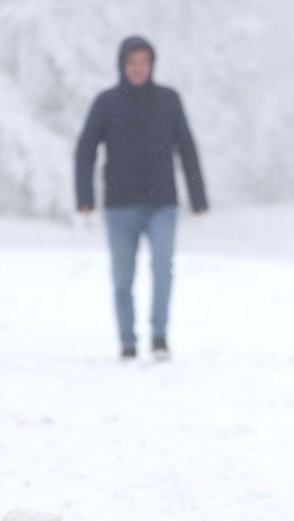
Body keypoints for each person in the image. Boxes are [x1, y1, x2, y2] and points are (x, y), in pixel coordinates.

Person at [75, 36, 208, 361]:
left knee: (163, 269)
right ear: (123, 65)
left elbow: (187, 148)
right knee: (123, 277)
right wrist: (85, 196)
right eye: (132, 62)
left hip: (162, 203)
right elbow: (85, 150)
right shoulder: (106, 102)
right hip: (120, 206)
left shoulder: (169, 100)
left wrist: (198, 196)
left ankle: (160, 336)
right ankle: (127, 341)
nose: (138, 68)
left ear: (151, 64)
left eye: (144, 62)